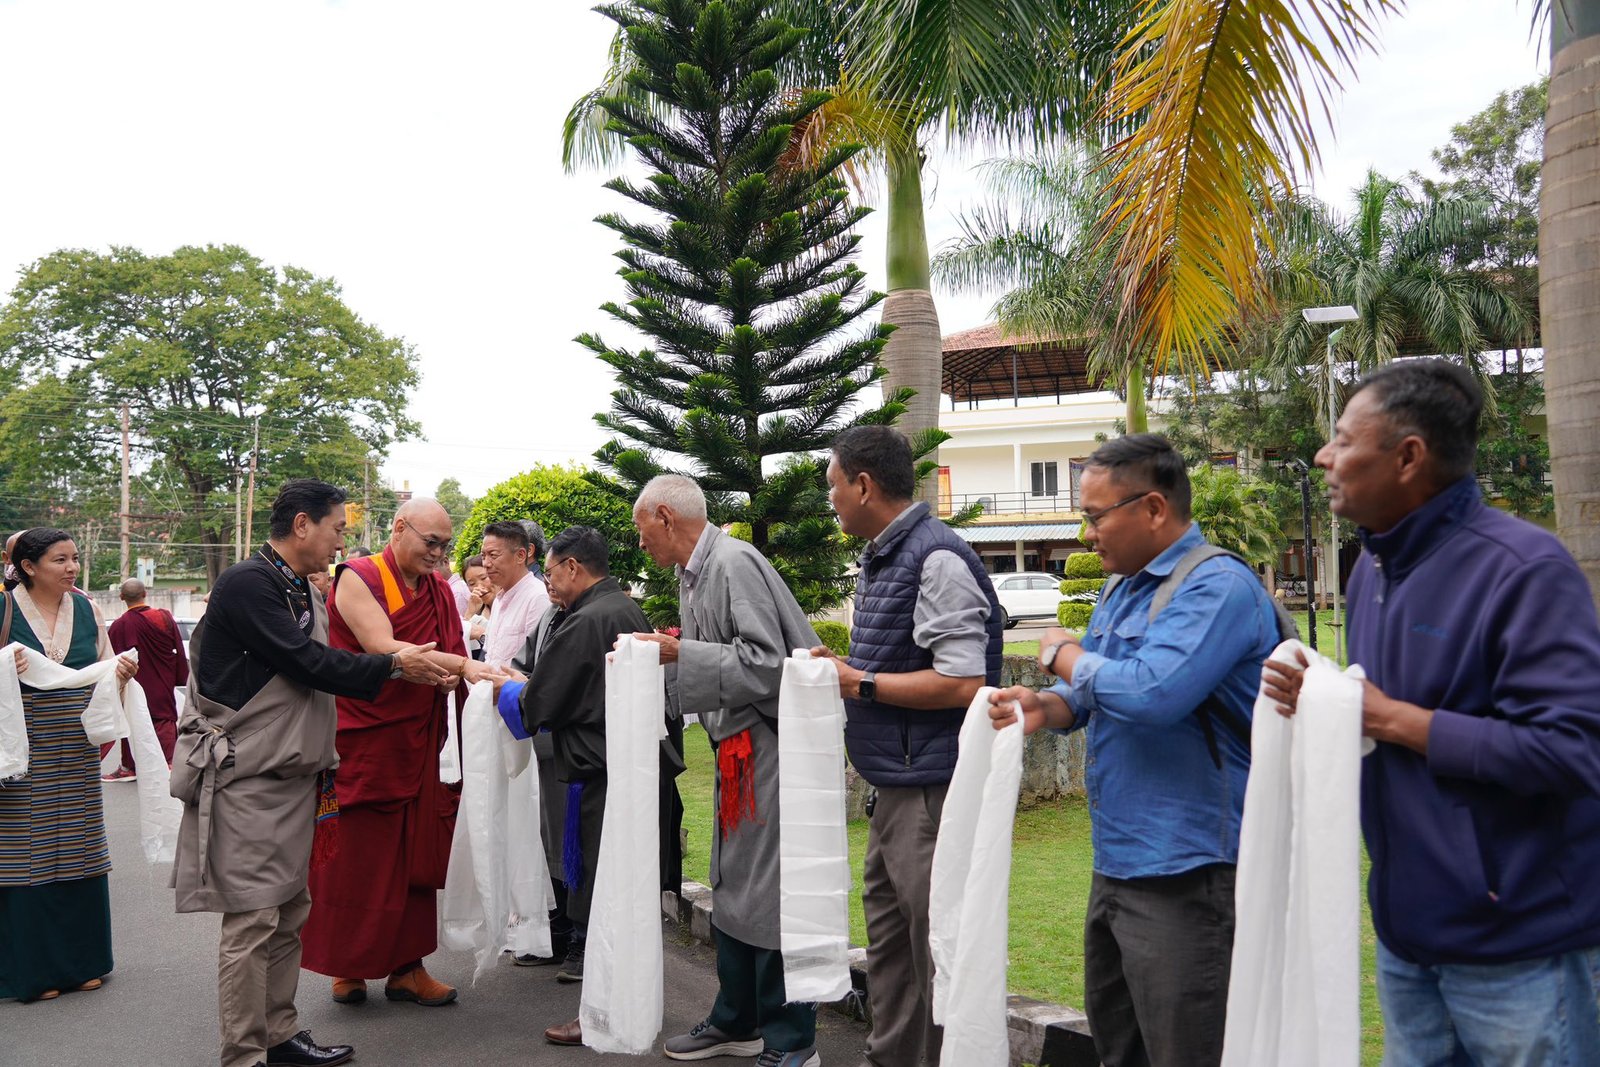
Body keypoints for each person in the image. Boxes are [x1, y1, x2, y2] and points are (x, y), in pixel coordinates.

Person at [1262, 359, 1600, 1064]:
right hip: (1407, 943)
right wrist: (1323, 698)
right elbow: (1375, 711)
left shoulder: (1522, 568)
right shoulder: (1373, 572)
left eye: (1343, 438)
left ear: (1408, 456)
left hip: (1520, 951)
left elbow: (1573, 751)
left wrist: (1386, 718)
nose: (1324, 455)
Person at [986, 433, 1280, 1067]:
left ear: (1152, 508)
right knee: (1121, 1047)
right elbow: (1092, 694)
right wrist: (1044, 706)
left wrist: (1061, 653)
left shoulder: (1216, 586)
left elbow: (1153, 692)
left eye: (1094, 517)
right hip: (1119, 860)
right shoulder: (1123, 589)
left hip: (1189, 867)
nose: (1087, 534)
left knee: (1187, 1051)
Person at [171, 480, 448, 1067]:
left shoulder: (298, 587)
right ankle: (244, 1053)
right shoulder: (249, 584)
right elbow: (309, 663)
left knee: (290, 910)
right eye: (337, 528)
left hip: (295, 772)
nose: (341, 539)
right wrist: (395, 664)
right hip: (248, 774)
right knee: (253, 919)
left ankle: (280, 1034)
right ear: (302, 525)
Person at [810, 425, 1003, 1067]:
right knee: (891, 942)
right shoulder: (887, 556)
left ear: (864, 485)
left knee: (932, 942)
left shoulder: (936, 557)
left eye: (834, 487)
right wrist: (844, 668)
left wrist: (857, 681)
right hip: (895, 782)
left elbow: (963, 680)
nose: (830, 501)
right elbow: (900, 660)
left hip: (929, 788)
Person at [631, 475, 822, 1067]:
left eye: (642, 531)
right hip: (738, 748)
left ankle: (793, 1040)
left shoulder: (733, 563)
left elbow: (767, 665)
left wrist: (678, 653)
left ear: (664, 516)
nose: (641, 545)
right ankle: (737, 1019)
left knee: (771, 890)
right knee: (732, 881)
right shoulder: (698, 572)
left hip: (770, 747)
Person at [300, 498, 499, 1007]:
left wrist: (464, 677)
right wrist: (462, 664)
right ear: (398, 528)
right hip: (364, 738)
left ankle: (407, 968)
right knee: (356, 857)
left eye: (445, 546)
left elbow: (448, 650)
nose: (438, 554)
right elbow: (382, 645)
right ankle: (350, 967)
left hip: (419, 739)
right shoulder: (358, 576)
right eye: (430, 542)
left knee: (415, 854)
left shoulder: (434, 589)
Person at [493, 525, 654, 1048]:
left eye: (552, 570)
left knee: (604, 899)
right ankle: (620, 1009)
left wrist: (501, 687)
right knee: (620, 895)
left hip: (598, 772)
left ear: (571, 567)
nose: (549, 582)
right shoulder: (620, 608)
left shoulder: (586, 620)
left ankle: (602, 1015)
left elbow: (540, 702)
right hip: (621, 767)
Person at [0, 529, 137, 1003]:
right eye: (60, 559)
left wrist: (118, 674)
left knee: (79, 848)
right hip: (22, 747)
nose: (72, 567)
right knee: (27, 855)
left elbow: (100, 668)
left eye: (75, 558)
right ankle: (31, 970)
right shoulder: (3, 608)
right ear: (29, 566)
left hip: (74, 746)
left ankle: (83, 962)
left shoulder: (88, 609)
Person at [106, 577, 190, 772]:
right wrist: (179, 674)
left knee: (133, 721)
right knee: (164, 719)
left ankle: (129, 767)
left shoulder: (120, 626)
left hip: (136, 683)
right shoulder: (164, 617)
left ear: (121, 597)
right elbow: (177, 648)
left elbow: (113, 660)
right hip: (162, 679)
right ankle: (169, 762)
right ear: (145, 594)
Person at [479, 521, 550, 669]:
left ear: (520, 555)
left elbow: (537, 665)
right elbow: (490, 655)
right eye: (483, 556)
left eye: (493, 555)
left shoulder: (538, 598)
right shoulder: (499, 599)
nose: (486, 563)